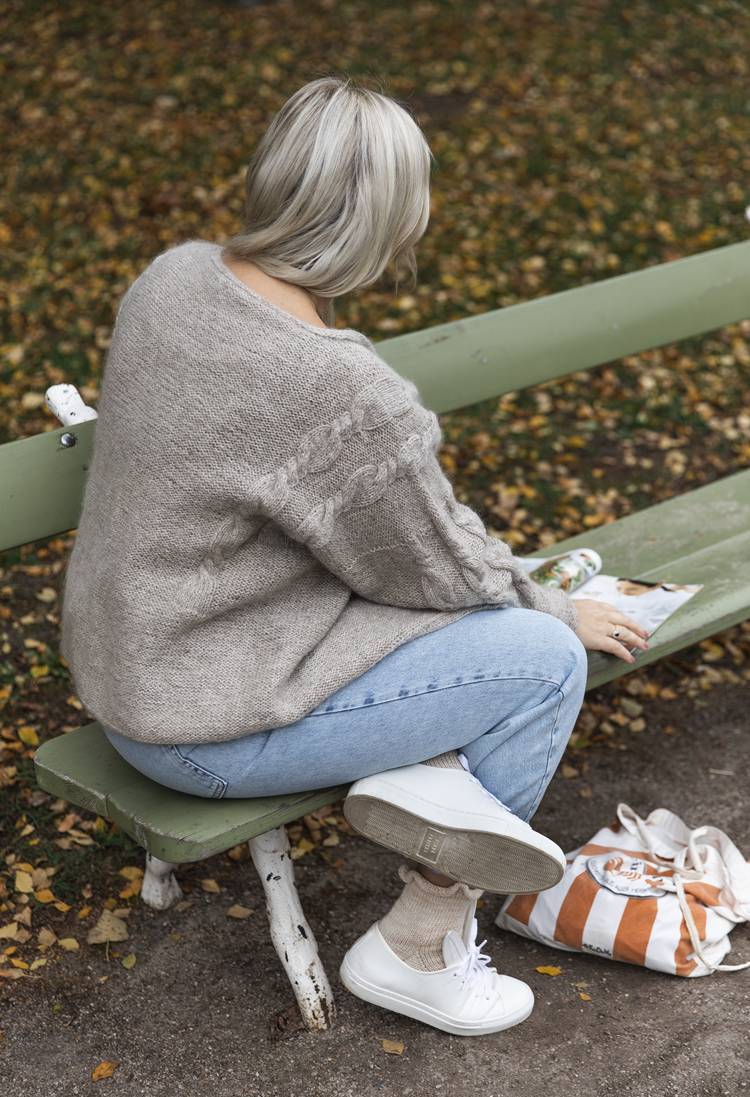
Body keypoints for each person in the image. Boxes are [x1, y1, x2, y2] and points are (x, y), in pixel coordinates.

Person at [60, 75, 650, 1036]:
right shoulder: (335, 388)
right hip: (204, 724)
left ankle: (433, 778)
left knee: (471, 632)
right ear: (387, 218)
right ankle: (417, 945)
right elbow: (433, 567)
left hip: (134, 670)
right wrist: (552, 604)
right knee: (543, 662)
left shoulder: (175, 280)